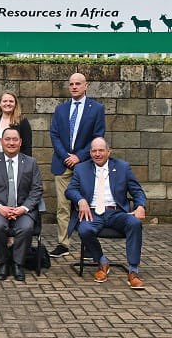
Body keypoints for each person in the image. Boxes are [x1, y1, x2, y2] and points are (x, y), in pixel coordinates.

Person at [65, 138, 147, 289]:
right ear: (90, 153)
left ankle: (133, 271)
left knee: (135, 223)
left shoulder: (123, 167)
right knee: (84, 229)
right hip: (92, 212)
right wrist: (81, 200)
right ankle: (102, 262)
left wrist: (141, 206)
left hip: (116, 212)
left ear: (109, 152)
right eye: (94, 151)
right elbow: (70, 190)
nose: (97, 154)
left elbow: (137, 191)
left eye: (101, 150)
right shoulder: (81, 168)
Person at [49, 73, 105, 258]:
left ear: (86, 85)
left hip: (85, 164)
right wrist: (66, 156)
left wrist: (79, 157)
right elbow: (54, 135)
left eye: (78, 84)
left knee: (87, 204)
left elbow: (98, 136)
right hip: (62, 163)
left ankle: (88, 244)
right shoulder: (61, 109)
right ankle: (63, 243)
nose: (74, 87)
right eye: (71, 83)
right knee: (63, 206)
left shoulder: (96, 109)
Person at [0, 128, 43, 282]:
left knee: (26, 228)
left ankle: (18, 264)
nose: (11, 143)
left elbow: (37, 189)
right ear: (1, 142)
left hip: (23, 210)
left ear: (20, 142)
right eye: (7, 139)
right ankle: (3, 262)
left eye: (15, 139)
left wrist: (23, 208)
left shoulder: (31, 162)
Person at [0, 90, 32, 165]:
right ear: (0, 104)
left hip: (16, 162)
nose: (8, 104)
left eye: (11, 101)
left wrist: (27, 165)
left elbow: (27, 146)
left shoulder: (22, 121)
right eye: (4, 101)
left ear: (15, 104)